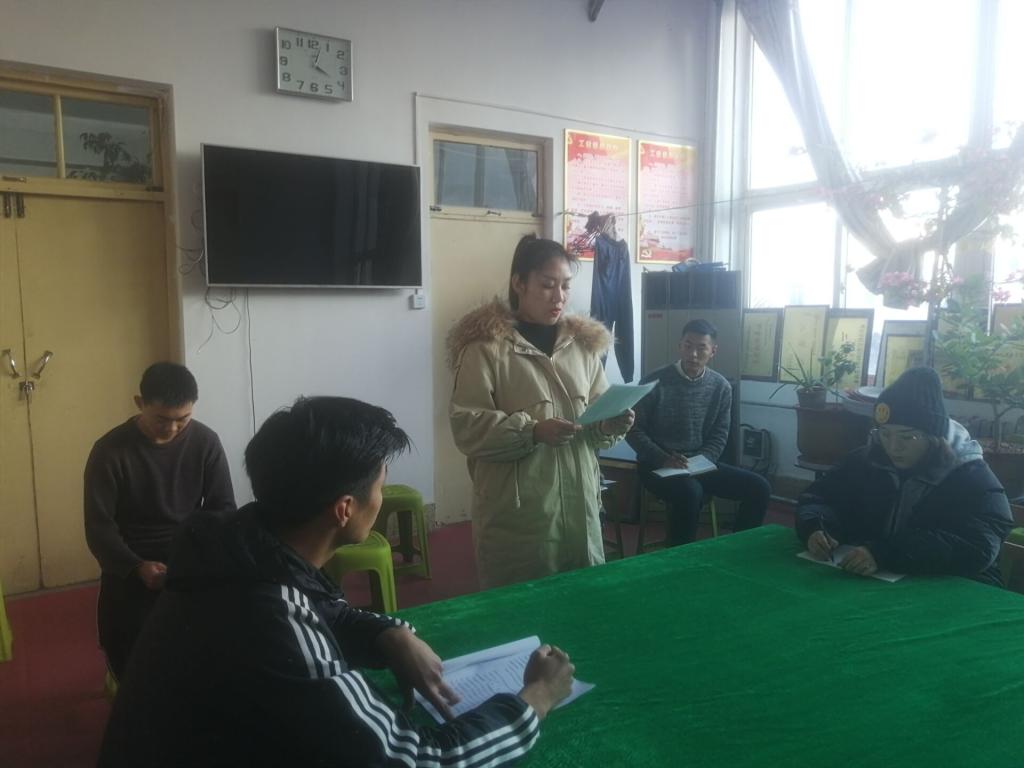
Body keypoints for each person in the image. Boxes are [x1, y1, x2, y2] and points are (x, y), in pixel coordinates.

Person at [98, 396, 575, 768]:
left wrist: (387, 634)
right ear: (344, 508)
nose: (381, 499)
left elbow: (318, 606)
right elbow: (419, 760)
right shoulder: (269, 615)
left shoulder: (236, 548)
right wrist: (535, 698)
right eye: (380, 486)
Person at [448, 235, 635, 588]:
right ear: (519, 283)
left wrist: (611, 423)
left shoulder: (582, 348)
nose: (559, 296)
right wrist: (532, 432)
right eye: (548, 285)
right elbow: (466, 426)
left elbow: (595, 419)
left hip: (581, 510)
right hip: (523, 515)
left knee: (583, 603)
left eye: (565, 286)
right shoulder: (486, 349)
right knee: (523, 606)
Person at [84, 362, 235, 679]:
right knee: (130, 641)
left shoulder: (205, 442)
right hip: (130, 559)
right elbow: (99, 527)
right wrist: (136, 566)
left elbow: (222, 508)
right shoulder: (109, 451)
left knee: (221, 631)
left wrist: (201, 555)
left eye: (183, 419)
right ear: (140, 403)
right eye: (162, 420)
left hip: (190, 553)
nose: (173, 429)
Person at [796, 367, 1013, 585]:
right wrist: (815, 526)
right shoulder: (864, 460)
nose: (893, 447)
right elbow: (819, 498)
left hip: (953, 585)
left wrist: (885, 553)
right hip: (874, 580)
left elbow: (979, 546)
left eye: (907, 438)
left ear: (934, 437)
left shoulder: (972, 478)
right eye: (885, 434)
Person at [627, 319, 769, 545]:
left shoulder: (721, 386)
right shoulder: (653, 381)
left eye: (701, 348)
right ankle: (681, 559)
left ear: (713, 351)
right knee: (690, 492)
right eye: (688, 345)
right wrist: (663, 458)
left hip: (700, 463)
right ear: (679, 346)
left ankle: (739, 550)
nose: (693, 354)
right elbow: (633, 430)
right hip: (656, 465)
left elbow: (720, 435)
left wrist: (700, 461)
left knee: (759, 487)